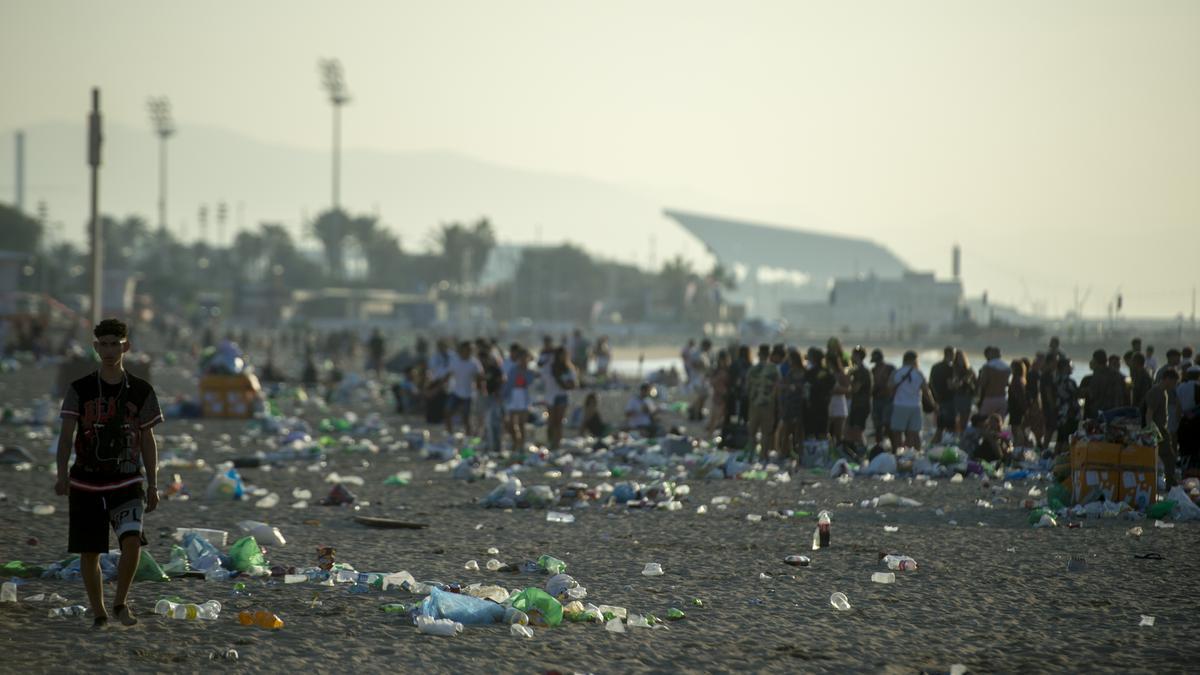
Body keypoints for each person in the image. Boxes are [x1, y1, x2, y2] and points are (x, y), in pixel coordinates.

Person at [55, 319, 163, 628]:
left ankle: (120, 602)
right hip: (86, 480)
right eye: (103, 343)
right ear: (95, 347)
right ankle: (100, 612)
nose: (109, 349)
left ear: (126, 346)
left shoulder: (141, 390)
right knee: (90, 551)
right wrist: (61, 474)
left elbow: (147, 439)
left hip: (128, 478)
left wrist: (153, 484)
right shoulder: (81, 389)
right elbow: (66, 436)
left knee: (131, 542)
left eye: (115, 343)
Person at [889, 350, 932, 450]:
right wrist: (933, 404)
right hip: (915, 406)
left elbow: (889, 386)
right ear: (915, 360)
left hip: (899, 405)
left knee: (897, 432)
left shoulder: (897, 372)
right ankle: (916, 453)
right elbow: (926, 391)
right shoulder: (918, 373)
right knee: (915, 433)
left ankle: (898, 453)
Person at [744, 344, 780, 461]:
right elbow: (778, 386)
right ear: (768, 355)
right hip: (768, 405)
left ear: (759, 355)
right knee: (766, 433)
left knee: (752, 432)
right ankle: (763, 456)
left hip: (754, 404)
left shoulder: (752, 369)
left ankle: (750, 455)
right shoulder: (774, 369)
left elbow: (747, 387)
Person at [1146, 368, 1179, 488]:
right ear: (1167, 379)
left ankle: (1169, 482)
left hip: (1161, 430)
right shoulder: (1156, 392)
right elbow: (1149, 413)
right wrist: (1151, 433)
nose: (1174, 386)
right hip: (1156, 431)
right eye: (1174, 382)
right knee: (1169, 457)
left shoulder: (1163, 392)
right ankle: (1170, 484)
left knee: (1169, 457)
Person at [445, 341, 484, 436]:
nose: (467, 352)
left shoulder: (474, 363)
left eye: (470, 350)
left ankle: (468, 437)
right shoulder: (455, 361)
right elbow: (448, 374)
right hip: (456, 392)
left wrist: (481, 389)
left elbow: (480, 377)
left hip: (469, 394)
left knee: (466, 418)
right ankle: (450, 435)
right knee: (447, 412)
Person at [777, 349, 807, 467]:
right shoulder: (790, 372)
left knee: (798, 432)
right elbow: (784, 385)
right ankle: (785, 453)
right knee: (787, 430)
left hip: (799, 405)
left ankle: (799, 454)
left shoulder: (803, 372)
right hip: (789, 404)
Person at [476, 339, 506, 453]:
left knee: (495, 423)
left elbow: (501, 380)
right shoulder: (480, 370)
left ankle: (497, 447)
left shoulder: (494, 368)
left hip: (495, 398)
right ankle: (488, 446)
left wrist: (498, 394)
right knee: (486, 423)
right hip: (486, 398)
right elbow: (479, 383)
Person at [545, 347, 577, 450]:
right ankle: (551, 442)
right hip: (552, 396)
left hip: (563, 396)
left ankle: (557, 444)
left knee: (559, 421)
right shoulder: (551, 367)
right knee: (551, 421)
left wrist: (565, 384)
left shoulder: (569, 368)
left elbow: (573, 384)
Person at [503, 345, 534, 450]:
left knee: (521, 423)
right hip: (513, 396)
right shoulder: (513, 370)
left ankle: (521, 444)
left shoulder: (529, 372)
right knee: (511, 423)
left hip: (523, 397)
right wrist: (504, 395)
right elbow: (508, 384)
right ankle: (516, 441)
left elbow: (529, 384)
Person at [846, 346, 872, 450]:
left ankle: (862, 450)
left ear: (857, 356)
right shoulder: (857, 370)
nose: (851, 357)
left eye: (853, 355)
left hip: (861, 405)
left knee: (857, 431)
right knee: (851, 430)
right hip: (857, 404)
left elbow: (855, 389)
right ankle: (857, 450)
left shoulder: (862, 371)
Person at [805, 348, 834, 441]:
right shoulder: (827, 372)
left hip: (812, 406)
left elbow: (806, 389)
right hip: (824, 405)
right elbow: (832, 386)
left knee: (811, 432)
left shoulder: (810, 373)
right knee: (822, 432)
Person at [929, 346, 956, 443]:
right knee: (950, 428)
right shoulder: (949, 368)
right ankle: (947, 445)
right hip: (948, 399)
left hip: (937, 399)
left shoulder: (935, 367)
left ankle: (933, 446)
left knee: (940, 427)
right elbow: (950, 385)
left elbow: (930, 383)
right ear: (950, 354)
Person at [1054, 357, 1081, 452]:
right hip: (1070, 413)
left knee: (1060, 438)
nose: (1071, 368)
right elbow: (1077, 394)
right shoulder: (1069, 382)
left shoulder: (1056, 380)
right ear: (1064, 367)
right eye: (1070, 366)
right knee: (1068, 439)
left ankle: (1055, 460)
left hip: (1060, 413)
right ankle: (1065, 460)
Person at [977, 346, 1010, 420]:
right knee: (999, 421)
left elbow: (983, 383)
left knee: (983, 420)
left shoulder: (988, 366)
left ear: (991, 354)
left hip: (990, 397)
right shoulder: (1007, 367)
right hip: (1002, 398)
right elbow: (1007, 384)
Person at [424, 339, 452, 425]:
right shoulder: (435, 357)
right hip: (435, 382)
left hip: (449, 383)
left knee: (443, 403)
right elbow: (430, 370)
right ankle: (433, 420)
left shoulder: (452, 356)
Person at [869, 349, 895, 443]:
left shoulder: (890, 368)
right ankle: (879, 446)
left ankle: (893, 446)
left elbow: (893, 383)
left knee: (887, 424)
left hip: (888, 400)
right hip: (877, 400)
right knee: (878, 426)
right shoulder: (873, 370)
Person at [827, 348, 850, 443]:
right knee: (828, 433)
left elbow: (848, 389)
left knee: (839, 434)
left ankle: (839, 451)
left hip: (839, 404)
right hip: (829, 404)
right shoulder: (827, 373)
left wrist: (834, 390)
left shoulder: (841, 374)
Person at [950, 350, 977, 433]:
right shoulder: (953, 369)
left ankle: (962, 434)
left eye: (961, 357)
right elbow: (953, 385)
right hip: (958, 396)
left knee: (965, 417)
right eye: (958, 358)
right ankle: (957, 433)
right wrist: (962, 381)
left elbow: (975, 383)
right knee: (957, 418)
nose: (960, 360)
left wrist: (969, 382)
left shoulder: (969, 370)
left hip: (967, 395)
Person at [707, 350, 731, 436]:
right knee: (713, 418)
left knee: (723, 419)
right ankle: (710, 435)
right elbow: (711, 382)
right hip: (717, 396)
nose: (723, 362)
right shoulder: (717, 370)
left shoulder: (729, 370)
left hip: (725, 397)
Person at [689, 339, 713, 421]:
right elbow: (694, 364)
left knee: (703, 396)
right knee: (700, 397)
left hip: (701, 380)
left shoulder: (704, 354)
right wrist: (703, 366)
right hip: (697, 380)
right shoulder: (698, 353)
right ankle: (695, 413)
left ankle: (697, 412)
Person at [1008, 359, 1029, 448]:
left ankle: (1019, 446)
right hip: (1016, 408)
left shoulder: (1017, 380)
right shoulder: (1021, 379)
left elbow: (1019, 397)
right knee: (1018, 428)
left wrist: (1024, 409)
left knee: (1016, 429)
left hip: (1016, 408)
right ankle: (1021, 445)